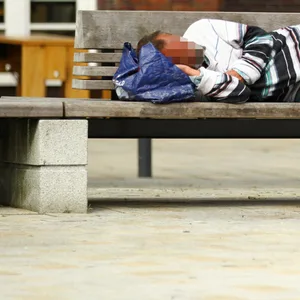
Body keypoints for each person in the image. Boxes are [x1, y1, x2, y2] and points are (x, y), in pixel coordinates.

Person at [136, 19, 300, 103]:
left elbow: (261, 38)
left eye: (178, 40)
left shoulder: (201, 28)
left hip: (292, 44)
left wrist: (241, 73)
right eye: (180, 52)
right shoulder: (196, 85)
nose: (189, 44)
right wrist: (195, 74)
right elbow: (241, 93)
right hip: (290, 91)